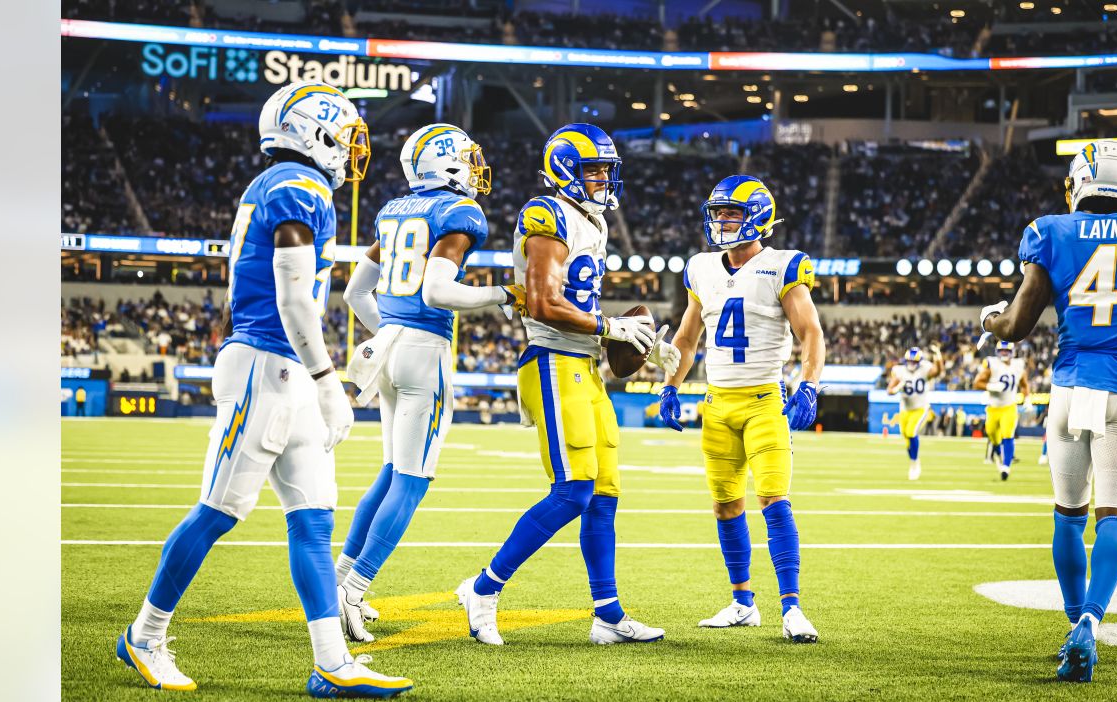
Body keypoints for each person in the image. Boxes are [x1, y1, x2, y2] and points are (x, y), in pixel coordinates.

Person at [115, 82, 411, 698]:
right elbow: (291, 298)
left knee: (313, 521)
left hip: (287, 368)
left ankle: (332, 662)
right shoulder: (297, 187)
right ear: (314, 132)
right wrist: (330, 379)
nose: (353, 149)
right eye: (345, 134)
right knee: (218, 510)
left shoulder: (286, 185)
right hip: (267, 364)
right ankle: (144, 635)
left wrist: (317, 377)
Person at [455, 123, 679, 645]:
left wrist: (639, 339)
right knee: (573, 491)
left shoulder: (591, 222)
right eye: (593, 170)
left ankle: (608, 614)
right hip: (553, 363)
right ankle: (484, 589)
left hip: (584, 367)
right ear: (564, 170)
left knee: (604, 494)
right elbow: (543, 302)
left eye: (607, 169)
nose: (603, 179)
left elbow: (580, 304)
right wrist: (610, 327)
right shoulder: (546, 214)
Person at [334, 123, 525, 642]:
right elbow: (439, 292)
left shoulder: (394, 210)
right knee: (413, 480)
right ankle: (355, 588)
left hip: (387, 348)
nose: (477, 166)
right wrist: (505, 296)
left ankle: (340, 580)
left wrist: (392, 330)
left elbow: (354, 292)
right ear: (449, 163)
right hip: (423, 351)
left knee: (392, 470)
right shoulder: (457, 212)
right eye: (469, 156)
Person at [978, 139, 1117, 683]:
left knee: (1069, 515)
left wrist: (990, 320)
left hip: (1072, 385)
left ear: (1079, 184)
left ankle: (1072, 623)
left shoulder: (1052, 230)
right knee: (1115, 515)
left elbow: (1018, 328)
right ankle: (1091, 623)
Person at [658, 175, 824, 642]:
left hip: (764, 401)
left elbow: (811, 332)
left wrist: (809, 384)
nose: (722, 220)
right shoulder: (701, 268)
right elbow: (687, 338)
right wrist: (670, 385)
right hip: (717, 403)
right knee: (726, 505)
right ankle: (742, 602)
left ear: (757, 216)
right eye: (718, 212)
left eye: (731, 211)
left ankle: (792, 608)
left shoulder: (784, 266)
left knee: (774, 501)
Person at [885, 345, 944, 479]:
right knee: (906, 439)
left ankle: (915, 463)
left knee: (912, 432)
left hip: (920, 408)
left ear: (920, 361)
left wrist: (938, 356)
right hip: (905, 409)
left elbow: (938, 371)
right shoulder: (900, 371)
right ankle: (913, 461)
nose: (911, 364)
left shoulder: (924, 369)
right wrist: (896, 389)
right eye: (910, 361)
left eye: (914, 361)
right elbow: (889, 390)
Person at [975, 341, 1029, 480]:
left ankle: (1006, 467)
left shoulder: (1018, 365)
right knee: (992, 435)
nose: (1004, 353)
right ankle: (999, 454)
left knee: (1007, 434)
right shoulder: (991, 364)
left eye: (1006, 351)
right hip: (993, 408)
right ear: (997, 351)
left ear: (1012, 352)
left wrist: (1027, 397)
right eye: (1001, 350)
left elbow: (1024, 384)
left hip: (1009, 407)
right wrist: (991, 386)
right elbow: (977, 383)